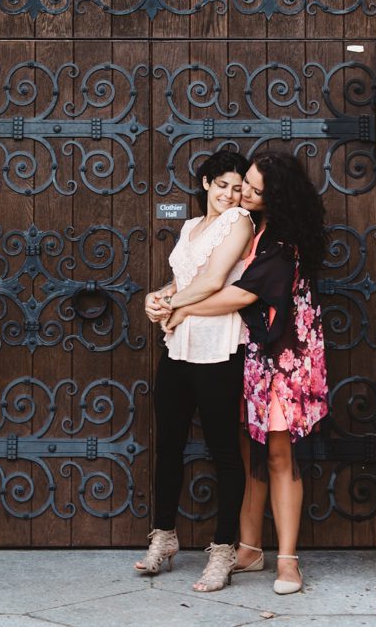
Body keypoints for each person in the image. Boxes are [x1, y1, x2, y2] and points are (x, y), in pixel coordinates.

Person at [164, 150, 328, 597]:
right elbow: (210, 274)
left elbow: (240, 295)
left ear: (278, 196)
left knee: (278, 455)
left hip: (283, 359)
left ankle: (289, 562)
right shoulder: (255, 228)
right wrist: (170, 296)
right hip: (249, 353)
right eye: (246, 185)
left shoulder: (283, 242)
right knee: (246, 449)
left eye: (256, 190)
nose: (246, 194)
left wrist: (180, 310)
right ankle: (250, 548)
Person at [136, 148, 253, 593]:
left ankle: (223, 551)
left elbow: (213, 282)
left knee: (224, 452)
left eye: (238, 187)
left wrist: (171, 305)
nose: (230, 193)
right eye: (222, 185)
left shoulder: (239, 222)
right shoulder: (190, 227)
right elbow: (185, 281)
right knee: (168, 446)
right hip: (178, 349)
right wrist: (159, 295)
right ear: (206, 184)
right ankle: (163, 537)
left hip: (218, 350)